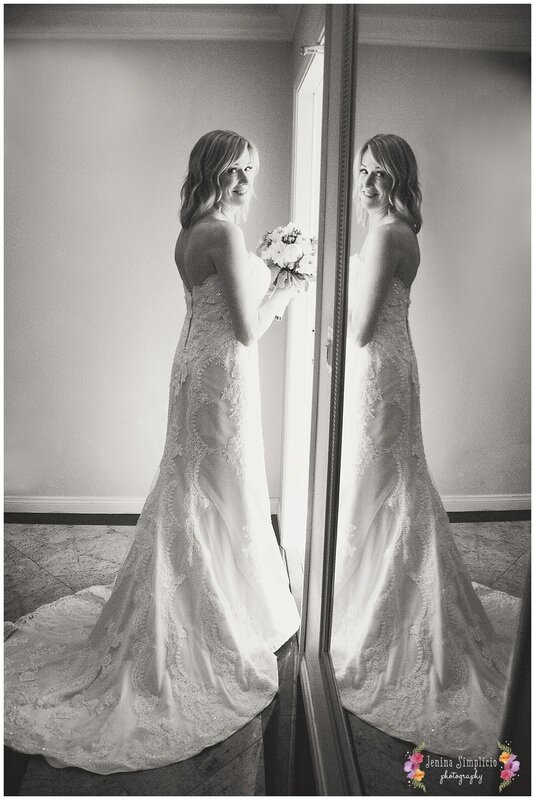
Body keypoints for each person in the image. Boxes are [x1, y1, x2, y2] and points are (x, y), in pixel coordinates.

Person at [5, 130, 300, 774]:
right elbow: (249, 328)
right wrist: (287, 281)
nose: (246, 181)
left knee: (200, 486)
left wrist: (271, 266)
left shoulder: (192, 227)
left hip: (198, 366)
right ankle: (207, 614)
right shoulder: (220, 232)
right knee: (213, 488)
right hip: (221, 373)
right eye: (235, 170)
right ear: (212, 171)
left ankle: (213, 596)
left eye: (252, 169)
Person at [331, 133, 519, 758]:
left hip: (380, 369)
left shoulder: (387, 234)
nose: (366, 184)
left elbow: (359, 327)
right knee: (391, 482)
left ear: (399, 179)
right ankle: (381, 591)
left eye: (379, 175)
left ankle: (390, 610)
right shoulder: (401, 229)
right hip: (394, 365)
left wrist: (314, 301)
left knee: (387, 484)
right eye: (363, 172)